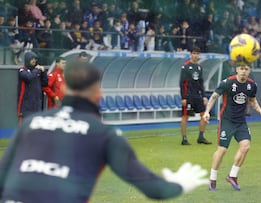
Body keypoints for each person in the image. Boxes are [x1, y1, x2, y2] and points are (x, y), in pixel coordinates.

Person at [0, 61, 208, 202]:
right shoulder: (104, 134)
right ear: (99, 93)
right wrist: (179, 184)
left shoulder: (32, 122)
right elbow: (152, 188)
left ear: (62, 91)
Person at [203, 63, 261, 191]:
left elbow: (252, 100)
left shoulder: (252, 85)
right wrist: (207, 112)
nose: (243, 71)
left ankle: (232, 176)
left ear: (249, 70)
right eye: (241, 69)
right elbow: (214, 97)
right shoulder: (227, 83)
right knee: (222, 150)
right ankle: (212, 179)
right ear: (237, 69)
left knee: (245, 146)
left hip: (241, 122)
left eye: (246, 69)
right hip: (226, 121)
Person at [179, 46, 212, 145]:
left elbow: (201, 83)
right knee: (185, 117)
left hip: (198, 96)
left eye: (197, 54)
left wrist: (204, 96)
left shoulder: (199, 67)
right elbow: (182, 83)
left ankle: (201, 137)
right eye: (194, 53)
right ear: (191, 54)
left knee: (203, 115)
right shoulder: (185, 67)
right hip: (188, 96)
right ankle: (184, 139)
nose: (195, 55)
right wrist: (183, 97)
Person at [17, 51, 48, 123]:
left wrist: (43, 73)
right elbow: (29, 77)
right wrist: (37, 70)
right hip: (26, 106)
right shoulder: (22, 70)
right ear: (28, 59)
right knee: (25, 126)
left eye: (35, 59)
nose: (34, 60)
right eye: (32, 59)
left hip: (37, 105)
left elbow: (45, 83)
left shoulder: (36, 71)